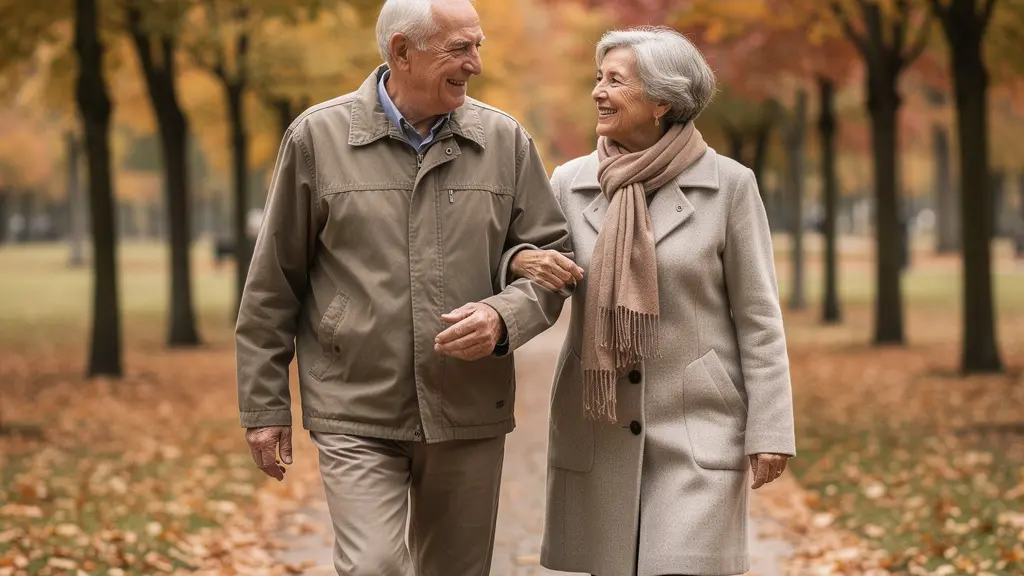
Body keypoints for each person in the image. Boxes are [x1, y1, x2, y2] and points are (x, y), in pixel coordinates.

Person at [233, 0, 576, 574]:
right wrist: (264, 406)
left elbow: (553, 261)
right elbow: (273, 284)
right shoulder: (318, 138)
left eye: (479, 46)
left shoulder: (504, 140)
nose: (476, 64)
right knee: (374, 566)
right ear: (401, 52)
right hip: (355, 405)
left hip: (468, 405)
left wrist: (503, 319)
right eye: (460, 49)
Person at [508, 27, 796, 576]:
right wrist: (506, 294)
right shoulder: (570, 183)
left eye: (615, 81)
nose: (597, 91)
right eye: (598, 78)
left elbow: (758, 318)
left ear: (663, 100)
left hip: (698, 427)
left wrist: (771, 428)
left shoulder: (731, 186)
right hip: (600, 421)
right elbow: (542, 286)